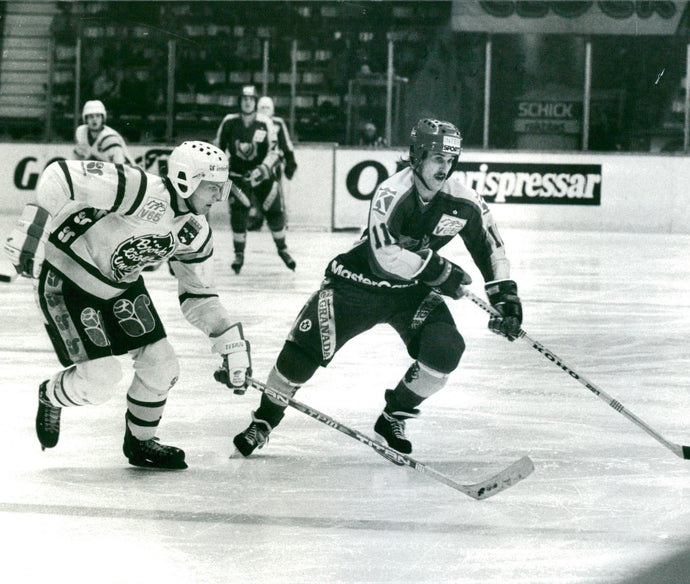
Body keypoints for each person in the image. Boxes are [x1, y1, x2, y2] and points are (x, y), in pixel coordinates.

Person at [232, 118, 523, 457]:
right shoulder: (391, 191)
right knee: (300, 355)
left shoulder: (464, 200)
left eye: (449, 160)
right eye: (437, 159)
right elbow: (383, 256)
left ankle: (393, 416)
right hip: (356, 284)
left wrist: (505, 298)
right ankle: (263, 422)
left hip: (409, 293)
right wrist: (439, 271)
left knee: (445, 349)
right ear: (417, 157)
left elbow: (490, 246)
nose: (444, 168)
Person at [4, 141, 253, 470]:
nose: (219, 198)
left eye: (222, 189)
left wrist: (229, 342)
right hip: (67, 280)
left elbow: (199, 295)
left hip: (122, 287)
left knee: (163, 367)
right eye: (212, 188)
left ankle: (140, 442)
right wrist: (32, 228)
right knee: (100, 381)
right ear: (186, 179)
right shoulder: (140, 190)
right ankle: (50, 394)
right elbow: (60, 175)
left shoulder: (196, 231)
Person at [214, 85, 296, 273]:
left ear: (256, 102)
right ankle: (239, 254)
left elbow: (275, 150)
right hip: (238, 177)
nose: (247, 102)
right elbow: (219, 148)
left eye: (251, 99)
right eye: (244, 99)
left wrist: (263, 168)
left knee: (274, 210)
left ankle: (283, 249)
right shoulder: (229, 122)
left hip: (263, 176)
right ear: (239, 101)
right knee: (238, 213)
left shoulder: (265, 122)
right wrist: (224, 167)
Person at [256, 95, 298, 230]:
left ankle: (281, 220)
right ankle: (256, 219)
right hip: (255, 165)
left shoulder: (278, 123)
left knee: (277, 193)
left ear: (272, 110)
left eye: (267, 107)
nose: (265, 110)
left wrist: (290, 161)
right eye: (262, 107)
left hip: (274, 166)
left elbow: (286, 144)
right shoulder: (253, 123)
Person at [73, 99, 134, 165]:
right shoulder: (81, 132)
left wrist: (94, 156)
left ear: (102, 118)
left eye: (98, 116)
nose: (94, 119)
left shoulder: (111, 137)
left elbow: (119, 166)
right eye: (91, 116)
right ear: (86, 119)